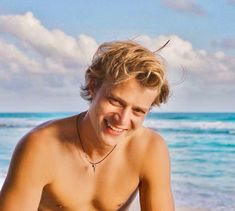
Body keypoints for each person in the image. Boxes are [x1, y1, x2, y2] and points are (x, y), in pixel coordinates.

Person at [0, 40, 174, 210]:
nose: (122, 119)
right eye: (115, 101)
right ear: (92, 86)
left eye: (138, 111)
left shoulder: (150, 149)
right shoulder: (41, 147)